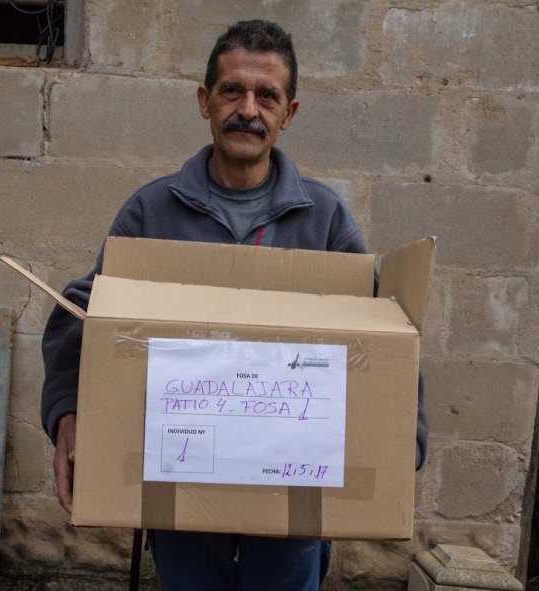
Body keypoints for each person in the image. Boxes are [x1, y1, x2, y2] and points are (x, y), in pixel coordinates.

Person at [40, 19, 428, 590]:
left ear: (288, 113)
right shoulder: (152, 213)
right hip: (183, 475)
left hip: (290, 490)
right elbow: (82, 310)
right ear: (205, 101)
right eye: (232, 91)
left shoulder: (323, 219)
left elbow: (381, 333)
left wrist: (401, 440)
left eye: (266, 96)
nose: (248, 109)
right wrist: (68, 413)